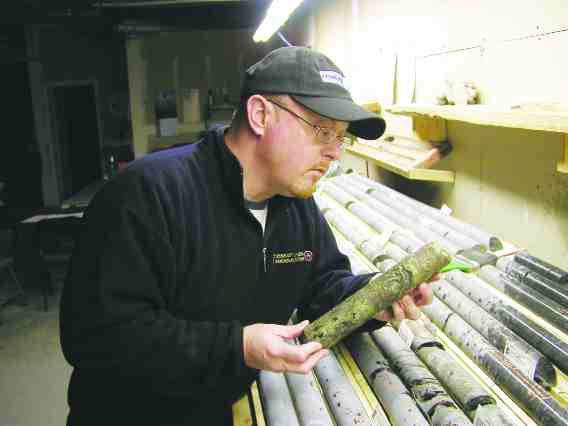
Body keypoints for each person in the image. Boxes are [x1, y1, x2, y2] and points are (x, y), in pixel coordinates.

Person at [60, 46, 435, 426]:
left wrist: (377, 297)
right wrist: (236, 346)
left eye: (342, 138)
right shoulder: (147, 193)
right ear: (260, 115)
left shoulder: (295, 206)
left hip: (216, 411)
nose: (334, 153)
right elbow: (96, 336)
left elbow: (323, 290)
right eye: (323, 131)